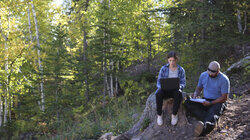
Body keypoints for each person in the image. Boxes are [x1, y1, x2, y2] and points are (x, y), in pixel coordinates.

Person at [184, 61, 230, 136]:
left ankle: (204, 129)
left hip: (218, 101)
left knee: (213, 113)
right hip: (205, 100)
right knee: (187, 103)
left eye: (213, 72)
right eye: (209, 71)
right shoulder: (203, 75)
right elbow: (199, 88)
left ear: (218, 71)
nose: (210, 73)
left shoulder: (224, 79)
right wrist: (196, 94)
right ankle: (208, 117)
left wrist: (211, 103)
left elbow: (224, 98)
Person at [155, 51, 186, 126]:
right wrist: (161, 87)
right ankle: (159, 115)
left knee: (178, 93)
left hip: (175, 90)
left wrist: (180, 87)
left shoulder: (181, 70)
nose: (172, 62)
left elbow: (183, 83)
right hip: (165, 90)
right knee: (158, 93)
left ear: (176, 60)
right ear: (168, 60)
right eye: (170, 60)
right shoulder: (163, 69)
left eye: (173, 60)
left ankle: (174, 115)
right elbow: (159, 81)